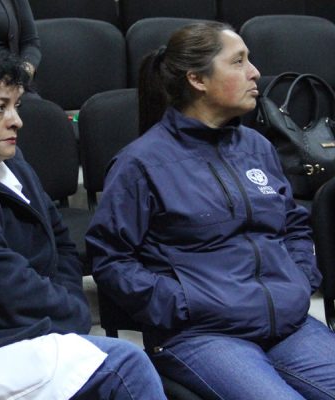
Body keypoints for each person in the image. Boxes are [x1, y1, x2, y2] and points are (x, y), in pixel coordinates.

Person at [86, 21, 335, 399]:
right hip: (202, 333)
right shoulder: (141, 164)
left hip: (286, 322)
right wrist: (181, 303)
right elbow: (111, 259)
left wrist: (299, 280)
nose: (255, 73)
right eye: (238, 62)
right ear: (197, 80)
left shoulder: (256, 146)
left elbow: (294, 225)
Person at [0, 47, 167, 400]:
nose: (16, 121)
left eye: (16, 107)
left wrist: (68, 304)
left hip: (22, 327)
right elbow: (1, 285)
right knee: (125, 365)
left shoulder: (13, 164)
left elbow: (62, 243)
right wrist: (73, 313)